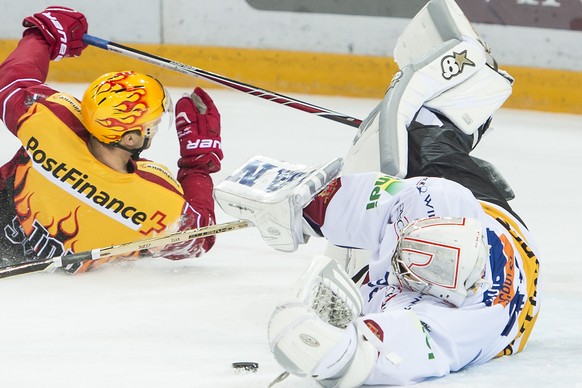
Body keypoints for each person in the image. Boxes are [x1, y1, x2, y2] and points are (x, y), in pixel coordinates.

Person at [214, 0, 540, 385]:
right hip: (503, 228)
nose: (400, 255)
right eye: (406, 247)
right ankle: (466, 99)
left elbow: (373, 358)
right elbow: (386, 202)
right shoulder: (443, 204)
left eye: (408, 263)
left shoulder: (452, 323)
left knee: (362, 277)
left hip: (500, 308)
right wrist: (308, 209)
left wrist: (325, 349)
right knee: (426, 137)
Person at [0, 6, 223, 273]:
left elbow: (11, 81)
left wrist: (42, 35)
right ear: (130, 139)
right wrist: (197, 163)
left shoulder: (49, 120)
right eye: (151, 124)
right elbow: (199, 237)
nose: (154, 127)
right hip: (46, 290)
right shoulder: (155, 196)